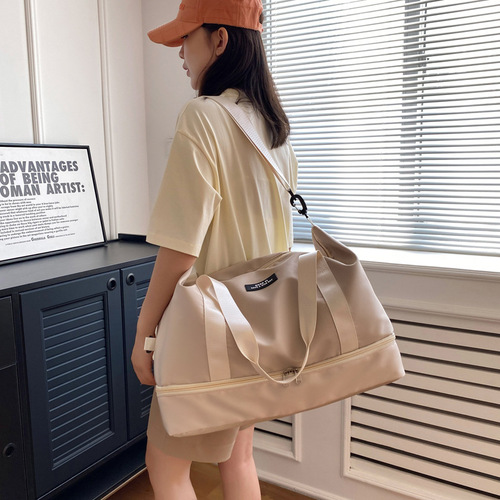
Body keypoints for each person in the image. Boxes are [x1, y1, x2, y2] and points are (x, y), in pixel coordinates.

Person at [131, 0, 297, 498]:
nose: (180, 52)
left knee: (165, 467)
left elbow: (181, 249)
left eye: (187, 37)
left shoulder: (203, 117)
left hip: (210, 333)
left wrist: (145, 333)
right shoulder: (274, 130)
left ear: (220, 39)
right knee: (238, 457)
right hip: (260, 329)